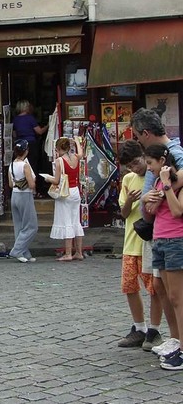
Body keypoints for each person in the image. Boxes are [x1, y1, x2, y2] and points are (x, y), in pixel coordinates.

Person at [131, 108, 183, 359]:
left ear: (146, 133)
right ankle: (174, 338)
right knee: (161, 288)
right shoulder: (159, 155)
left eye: (138, 137)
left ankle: (179, 342)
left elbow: (180, 176)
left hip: (172, 232)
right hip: (157, 231)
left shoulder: (174, 152)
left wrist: (161, 191)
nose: (138, 142)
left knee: (175, 293)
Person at [115, 140, 163, 350]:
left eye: (136, 162)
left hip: (148, 242)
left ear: (144, 156)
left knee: (154, 288)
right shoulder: (128, 179)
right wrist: (131, 202)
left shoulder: (154, 177)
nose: (135, 168)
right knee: (129, 286)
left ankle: (154, 329)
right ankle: (139, 327)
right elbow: (124, 214)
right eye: (130, 166)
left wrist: (145, 199)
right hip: (130, 242)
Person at [142, 144, 183, 370]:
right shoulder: (158, 182)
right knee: (166, 293)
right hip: (159, 239)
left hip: (176, 240)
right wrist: (148, 197)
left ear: (162, 161)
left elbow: (177, 211)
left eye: (151, 163)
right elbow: (151, 210)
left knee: (178, 297)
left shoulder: (175, 181)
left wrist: (167, 185)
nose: (149, 169)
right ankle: (176, 340)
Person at [44, 136, 85, 261]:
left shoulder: (59, 161)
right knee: (75, 221)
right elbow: (81, 153)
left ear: (59, 148)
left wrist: (47, 178)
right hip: (75, 191)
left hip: (65, 193)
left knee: (67, 222)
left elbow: (56, 180)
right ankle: (79, 252)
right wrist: (77, 142)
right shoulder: (75, 158)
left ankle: (68, 253)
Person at [7, 139, 38, 263]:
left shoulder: (12, 165)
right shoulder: (25, 165)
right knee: (32, 226)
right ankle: (17, 250)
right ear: (26, 151)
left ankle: (24, 252)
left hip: (15, 195)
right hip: (25, 195)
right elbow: (31, 184)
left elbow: (10, 184)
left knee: (19, 225)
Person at [13, 99, 48, 197]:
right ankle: (35, 190)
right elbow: (39, 131)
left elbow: (15, 134)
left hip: (19, 144)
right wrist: (48, 126)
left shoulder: (15, 119)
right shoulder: (30, 118)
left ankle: (24, 187)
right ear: (26, 107)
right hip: (31, 144)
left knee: (20, 165)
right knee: (33, 166)